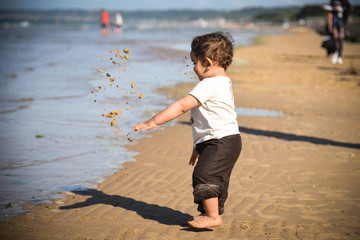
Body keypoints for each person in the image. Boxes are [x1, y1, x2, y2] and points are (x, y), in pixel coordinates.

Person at [133, 32, 242, 229]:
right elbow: (210, 119)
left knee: (204, 176)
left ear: (207, 63)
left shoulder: (208, 84)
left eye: (194, 62)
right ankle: (208, 213)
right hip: (225, 140)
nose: (193, 68)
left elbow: (182, 106)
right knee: (217, 178)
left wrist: (155, 121)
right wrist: (199, 146)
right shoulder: (223, 82)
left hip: (219, 140)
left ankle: (213, 216)